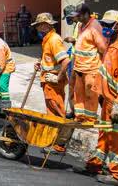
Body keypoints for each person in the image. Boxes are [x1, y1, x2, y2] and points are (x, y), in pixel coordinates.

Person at [74, 10, 118, 185]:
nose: (106, 28)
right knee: (104, 134)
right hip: (109, 100)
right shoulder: (112, 44)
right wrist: (102, 95)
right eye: (104, 24)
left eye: (110, 25)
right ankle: (96, 165)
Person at [31, 13, 71, 154]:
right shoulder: (47, 40)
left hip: (54, 83)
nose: (36, 29)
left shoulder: (54, 40)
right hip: (48, 82)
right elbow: (49, 60)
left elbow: (65, 61)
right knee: (52, 113)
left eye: (38, 26)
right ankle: (53, 142)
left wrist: (58, 78)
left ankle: (58, 145)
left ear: (46, 25)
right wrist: (40, 64)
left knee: (57, 112)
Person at [67, 3, 107, 123]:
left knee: (91, 95)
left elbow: (102, 49)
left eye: (79, 16)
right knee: (78, 95)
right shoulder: (81, 26)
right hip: (79, 68)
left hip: (91, 69)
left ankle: (90, 119)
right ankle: (79, 117)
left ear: (86, 14)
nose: (77, 18)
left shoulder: (95, 27)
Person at [63, 5, 81, 120]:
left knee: (75, 88)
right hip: (74, 58)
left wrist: (73, 40)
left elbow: (86, 41)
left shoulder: (80, 25)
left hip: (78, 60)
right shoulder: (76, 25)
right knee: (72, 87)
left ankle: (77, 113)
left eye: (68, 17)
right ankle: (73, 111)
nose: (68, 20)